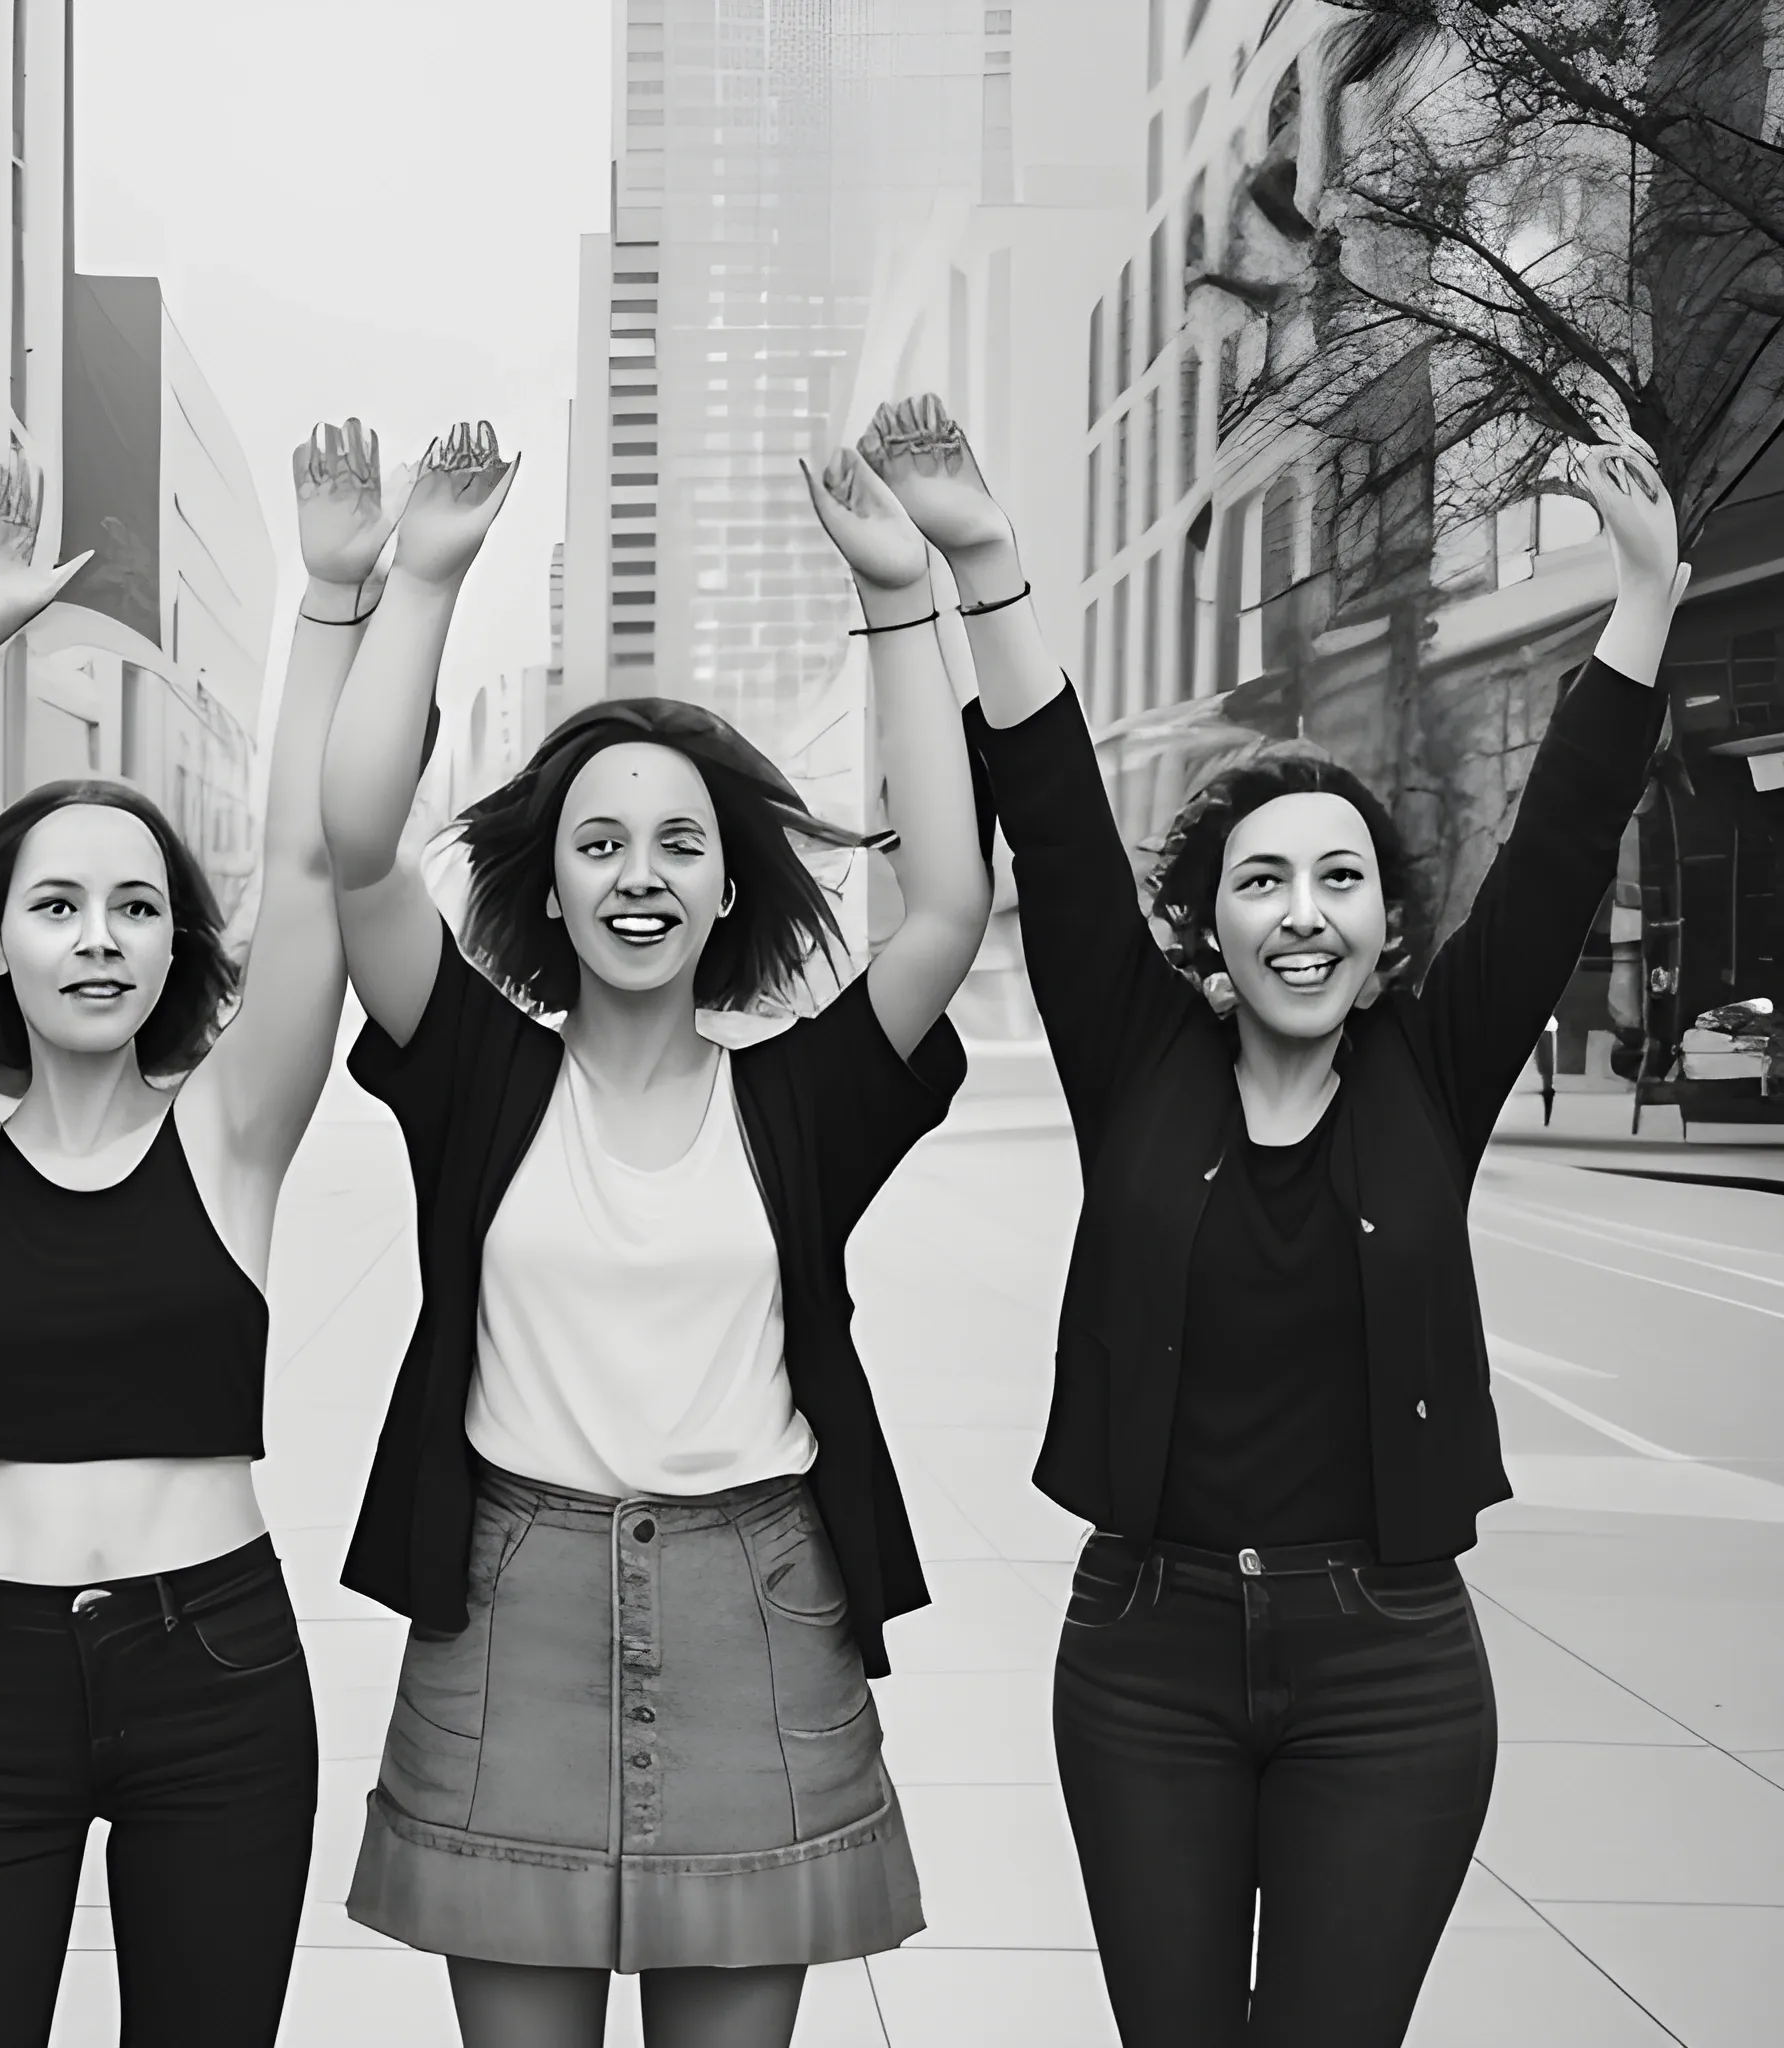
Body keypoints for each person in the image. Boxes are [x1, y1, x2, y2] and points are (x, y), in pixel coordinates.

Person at [862, 393, 1686, 2047]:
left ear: (1387, 930)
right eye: (1260, 880)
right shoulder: (1136, 1058)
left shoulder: (1435, 1075)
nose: (1300, 913)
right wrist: (982, 561)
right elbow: (1058, 820)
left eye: (1338, 881)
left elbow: (1563, 838)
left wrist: (1647, 602)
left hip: (1389, 1665)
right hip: (1144, 1657)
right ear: (1212, 930)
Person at [320, 424, 993, 2048]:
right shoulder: (478, 1070)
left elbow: (952, 904)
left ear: (723, 891)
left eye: (679, 844)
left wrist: (901, 596)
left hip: (754, 1609)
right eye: (601, 844)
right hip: (513, 1599)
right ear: (548, 889)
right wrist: (420, 579)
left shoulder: (808, 1097)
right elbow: (353, 847)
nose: (639, 875)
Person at [0, 427, 409, 2046]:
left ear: (173, 950)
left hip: (216, 1668)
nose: (99, 939)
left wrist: (329, 602)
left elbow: (301, 861)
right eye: (57, 905)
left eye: (138, 907)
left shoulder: (232, 1136)